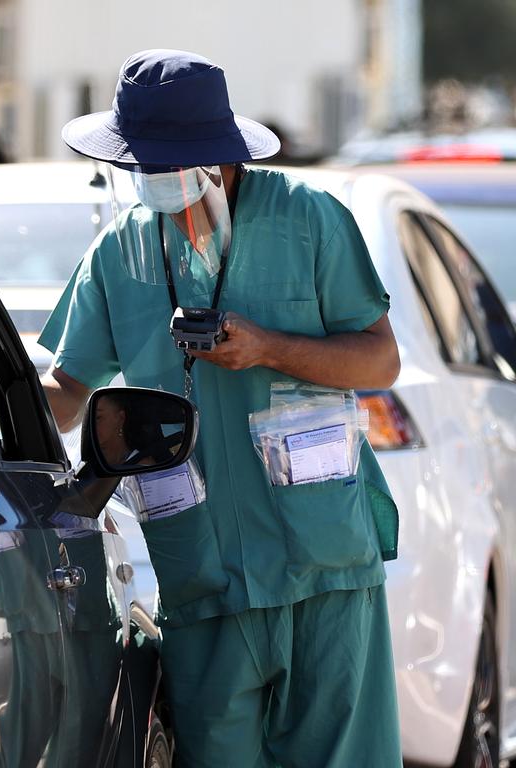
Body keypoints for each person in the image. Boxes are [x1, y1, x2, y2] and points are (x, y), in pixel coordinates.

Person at [39, 49, 402, 767]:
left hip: (321, 570)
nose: (151, 179)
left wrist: (268, 347)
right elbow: (67, 393)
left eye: (163, 162)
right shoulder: (121, 254)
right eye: (138, 163)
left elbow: (378, 360)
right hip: (202, 580)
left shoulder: (310, 221)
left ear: (218, 159)